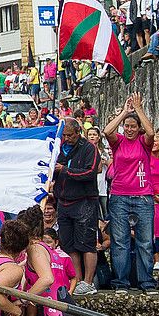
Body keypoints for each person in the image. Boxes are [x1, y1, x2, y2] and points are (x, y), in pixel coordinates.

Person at [102, 94, 156, 292]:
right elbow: (107, 130)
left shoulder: (144, 142)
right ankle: (121, 282)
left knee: (144, 242)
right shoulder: (119, 142)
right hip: (119, 196)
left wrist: (138, 110)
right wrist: (125, 112)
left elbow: (151, 132)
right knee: (120, 242)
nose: (131, 130)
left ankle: (147, 282)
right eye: (128, 126)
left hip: (143, 196)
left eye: (134, 126)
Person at [53, 118, 102, 294]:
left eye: (70, 135)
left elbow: (90, 172)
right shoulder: (59, 148)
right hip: (63, 201)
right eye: (64, 135)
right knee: (69, 244)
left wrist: (64, 170)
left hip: (84, 201)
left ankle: (88, 282)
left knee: (87, 243)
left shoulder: (89, 148)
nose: (67, 138)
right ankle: (78, 279)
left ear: (78, 133)